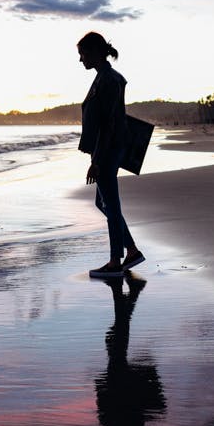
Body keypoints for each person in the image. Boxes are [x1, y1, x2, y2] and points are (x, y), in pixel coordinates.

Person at [77, 31, 145, 279]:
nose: (81, 59)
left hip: (107, 150)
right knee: (103, 203)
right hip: (109, 148)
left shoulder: (108, 80)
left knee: (111, 206)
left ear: (94, 52)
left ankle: (116, 261)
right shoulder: (106, 77)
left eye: (82, 54)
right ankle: (132, 251)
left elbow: (108, 124)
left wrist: (96, 161)